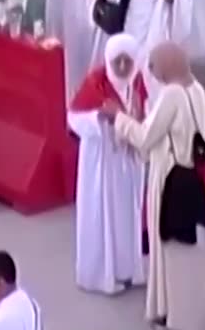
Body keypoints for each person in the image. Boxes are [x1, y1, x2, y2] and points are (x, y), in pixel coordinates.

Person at [106, 42, 205, 327]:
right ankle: (197, 308)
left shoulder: (172, 95)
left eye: (154, 67)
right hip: (195, 176)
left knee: (168, 247)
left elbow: (146, 138)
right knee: (194, 247)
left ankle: (172, 310)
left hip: (169, 178)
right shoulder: (197, 90)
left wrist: (119, 118)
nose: (153, 73)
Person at [66, 35, 146, 295]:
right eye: (117, 61)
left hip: (128, 159)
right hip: (102, 159)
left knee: (127, 214)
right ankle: (102, 274)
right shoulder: (96, 82)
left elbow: (145, 111)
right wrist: (99, 117)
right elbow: (74, 117)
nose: (122, 67)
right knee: (103, 213)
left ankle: (128, 269)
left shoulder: (137, 82)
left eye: (127, 61)